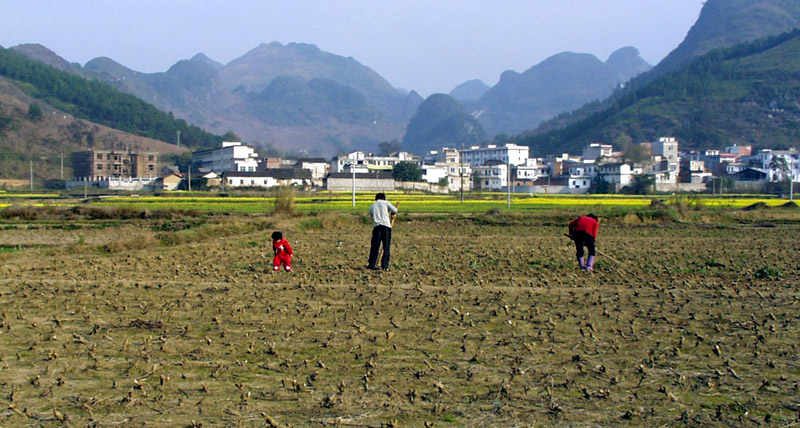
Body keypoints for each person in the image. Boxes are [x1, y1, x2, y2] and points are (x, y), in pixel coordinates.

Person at [367, 193, 397, 270]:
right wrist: (392, 214)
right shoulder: (386, 203)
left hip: (377, 227)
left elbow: (372, 215)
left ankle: (371, 264)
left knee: (375, 246)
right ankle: (384, 265)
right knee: (386, 247)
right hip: (386, 227)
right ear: (384, 198)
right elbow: (395, 210)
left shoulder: (372, 206)